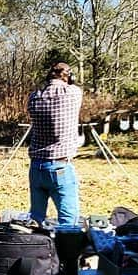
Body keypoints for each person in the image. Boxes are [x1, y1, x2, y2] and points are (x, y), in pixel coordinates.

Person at [27, 61, 84, 225]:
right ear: (69, 77)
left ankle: (34, 247)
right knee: (69, 222)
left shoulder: (34, 97)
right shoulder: (73, 93)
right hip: (60, 166)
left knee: (36, 220)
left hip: (36, 167)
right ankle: (66, 250)